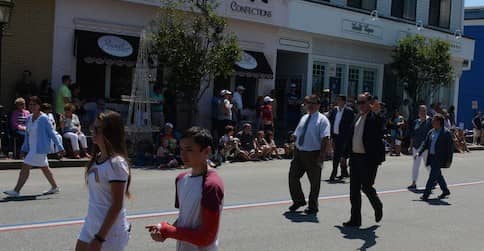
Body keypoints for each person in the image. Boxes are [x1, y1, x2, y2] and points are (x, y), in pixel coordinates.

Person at [146, 127, 224, 251]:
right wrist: (163, 230)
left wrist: (169, 230)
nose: (183, 154)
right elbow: (184, 219)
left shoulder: (211, 185)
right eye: (181, 149)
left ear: (207, 151)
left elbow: (207, 237)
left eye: (189, 150)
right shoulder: (181, 179)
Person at [75, 111, 132, 251]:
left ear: (110, 133)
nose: (93, 132)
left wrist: (100, 238)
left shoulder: (116, 163)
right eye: (93, 128)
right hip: (91, 224)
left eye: (97, 129)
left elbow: (117, 205)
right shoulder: (97, 158)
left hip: (109, 231)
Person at [3, 96, 64, 197]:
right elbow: (27, 135)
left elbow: (52, 133)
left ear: (39, 106)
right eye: (30, 104)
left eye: (34, 104)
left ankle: (16, 190)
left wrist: (60, 147)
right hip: (32, 148)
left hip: (39, 149)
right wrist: (23, 148)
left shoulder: (44, 118)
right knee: (45, 168)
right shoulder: (29, 117)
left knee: (25, 167)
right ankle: (54, 187)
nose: (32, 106)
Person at [343, 93, 385, 227]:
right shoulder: (357, 117)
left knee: (366, 187)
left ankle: (377, 205)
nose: (360, 105)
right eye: (358, 102)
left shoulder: (375, 118)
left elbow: (381, 128)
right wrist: (344, 155)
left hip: (369, 159)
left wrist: (377, 112)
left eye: (362, 102)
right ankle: (355, 219)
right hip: (355, 158)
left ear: (369, 103)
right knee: (353, 190)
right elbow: (350, 137)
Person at [288, 95, 331, 215]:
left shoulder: (322, 120)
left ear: (318, 105)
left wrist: (322, 155)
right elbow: (298, 133)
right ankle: (298, 200)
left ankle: (313, 206)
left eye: (313, 103)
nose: (310, 105)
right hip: (299, 152)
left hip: (313, 153)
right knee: (293, 176)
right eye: (308, 103)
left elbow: (325, 138)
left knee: (314, 182)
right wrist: (293, 138)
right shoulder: (304, 118)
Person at [418, 114, 453, 201]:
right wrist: (419, 152)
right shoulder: (431, 132)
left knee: (432, 176)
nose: (432, 122)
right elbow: (425, 144)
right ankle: (445, 191)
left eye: (434, 120)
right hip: (432, 157)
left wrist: (448, 160)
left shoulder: (446, 133)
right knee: (438, 175)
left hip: (440, 158)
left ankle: (426, 194)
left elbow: (450, 148)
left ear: (439, 122)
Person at [328, 95, 354, 181]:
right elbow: (330, 121)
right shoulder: (335, 110)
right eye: (337, 100)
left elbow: (352, 125)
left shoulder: (349, 111)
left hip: (344, 137)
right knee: (338, 154)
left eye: (339, 100)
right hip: (335, 135)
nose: (337, 101)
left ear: (343, 101)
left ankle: (335, 172)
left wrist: (350, 137)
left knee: (340, 155)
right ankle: (341, 171)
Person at [407, 105, 433, 189]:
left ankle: (434, 179)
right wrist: (410, 146)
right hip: (416, 146)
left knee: (427, 165)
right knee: (415, 165)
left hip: (425, 147)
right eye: (421, 110)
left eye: (424, 110)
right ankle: (414, 183)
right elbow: (412, 135)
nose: (422, 112)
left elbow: (433, 133)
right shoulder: (416, 122)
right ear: (419, 112)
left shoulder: (430, 121)